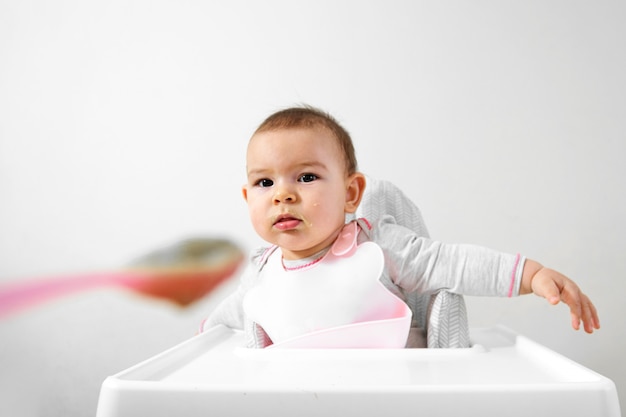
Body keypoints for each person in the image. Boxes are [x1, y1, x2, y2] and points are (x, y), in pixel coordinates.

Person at [199, 105, 600, 349]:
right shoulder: (261, 273)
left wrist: (532, 274)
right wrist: (200, 341)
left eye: (305, 177)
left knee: (445, 296)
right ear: (247, 197)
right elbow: (222, 323)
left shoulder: (376, 245)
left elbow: (451, 262)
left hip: (397, 390)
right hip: (306, 396)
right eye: (264, 182)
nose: (282, 195)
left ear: (352, 193)